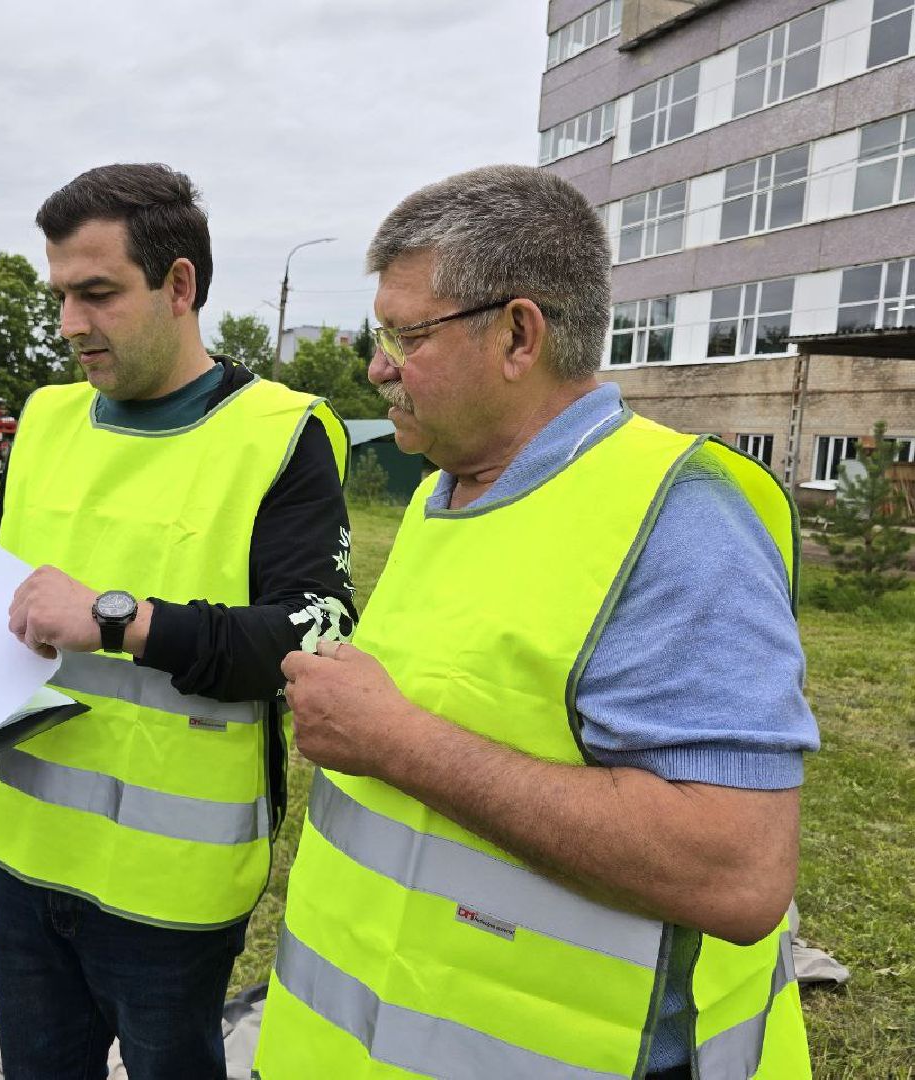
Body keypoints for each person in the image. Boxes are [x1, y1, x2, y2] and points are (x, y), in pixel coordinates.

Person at [255, 165, 819, 1079]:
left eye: (406, 334)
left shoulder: (681, 521)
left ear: (519, 335)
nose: (377, 366)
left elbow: (738, 871)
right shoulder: (454, 492)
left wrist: (393, 740)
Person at [0, 163, 354, 1079]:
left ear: (180, 286)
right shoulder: (48, 420)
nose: (70, 325)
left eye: (98, 294)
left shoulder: (280, 432)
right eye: (60, 295)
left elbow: (312, 639)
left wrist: (116, 620)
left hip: (170, 888)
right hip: (24, 852)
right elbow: (3, 600)